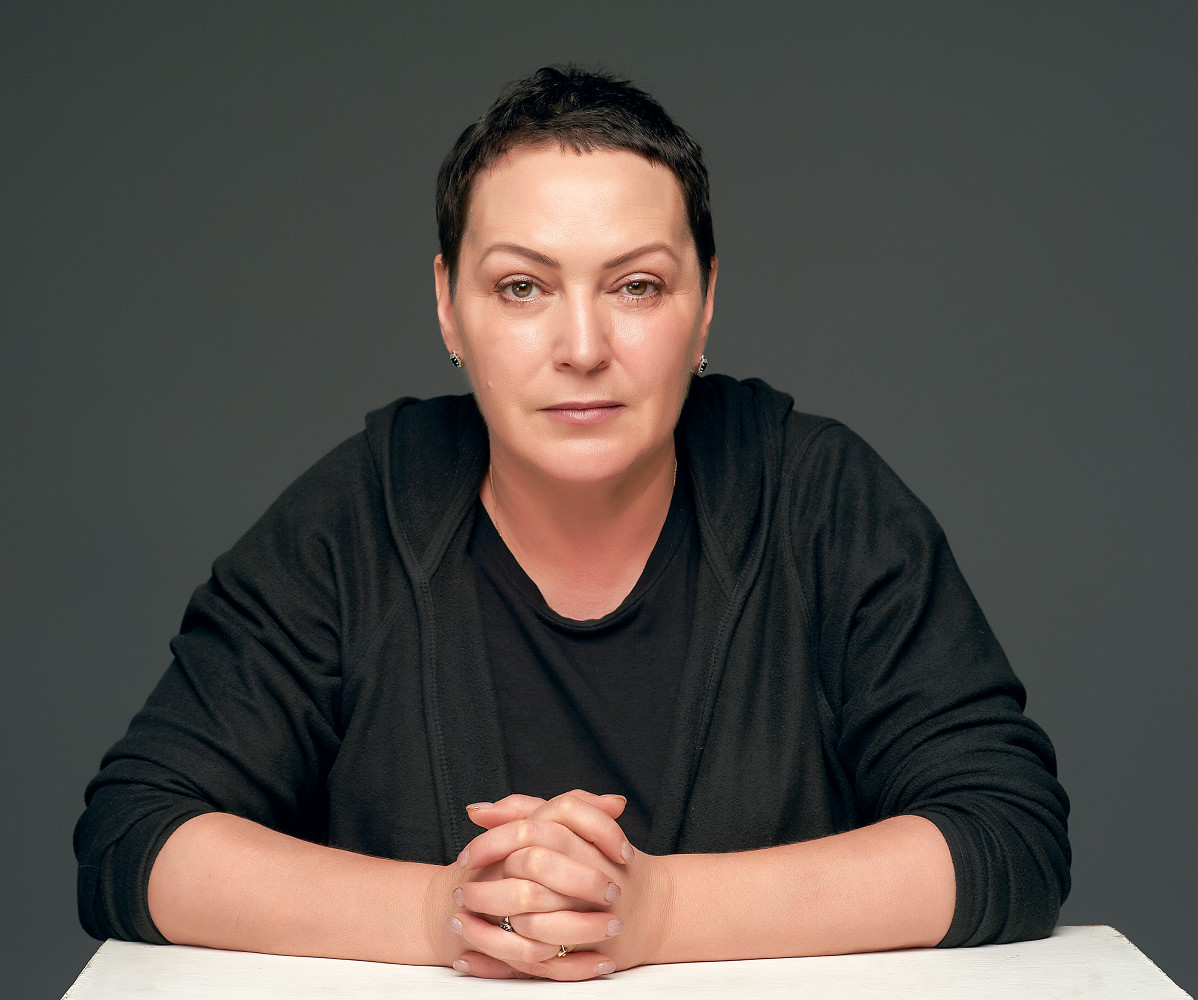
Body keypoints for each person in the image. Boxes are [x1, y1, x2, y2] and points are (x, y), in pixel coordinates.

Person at [75, 65, 1070, 982]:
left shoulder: (822, 499)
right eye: (522, 287)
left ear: (705, 303)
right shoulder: (356, 515)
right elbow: (135, 836)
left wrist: (657, 911)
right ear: (448, 307)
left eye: (636, 285)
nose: (583, 346)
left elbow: (1009, 833)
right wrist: (444, 912)